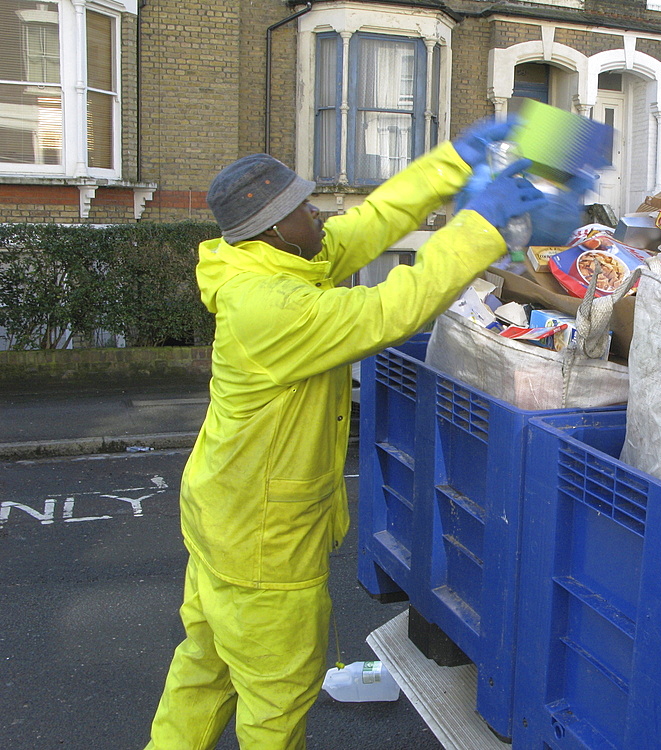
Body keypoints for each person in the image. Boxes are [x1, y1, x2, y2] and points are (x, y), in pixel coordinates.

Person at [143, 120, 545, 749]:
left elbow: (374, 220)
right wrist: (482, 227)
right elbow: (393, 308)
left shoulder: (277, 258)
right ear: (274, 225)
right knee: (277, 698)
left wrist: (453, 165)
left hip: (225, 518)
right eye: (304, 207)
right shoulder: (272, 307)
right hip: (263, 546)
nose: (318, 214)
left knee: (206, 667)